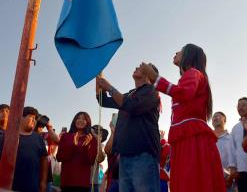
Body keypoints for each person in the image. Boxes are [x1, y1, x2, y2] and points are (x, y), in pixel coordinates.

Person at [140, 43, 226, 192]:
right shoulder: (191, 75)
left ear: (189, 56)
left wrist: (155, 78)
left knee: (191, 182)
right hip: (186, 138)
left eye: (180, 51)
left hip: (193, 139)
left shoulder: (194, 73)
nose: (176, 52)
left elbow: (184, 93)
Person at [96, 65, 161, 192]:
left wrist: (109, 87)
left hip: (143, 156)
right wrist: (98, 74)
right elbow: (102, 100)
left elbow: (132, 106)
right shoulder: (129, 94)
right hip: (124, 156)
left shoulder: (152, 91)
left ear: (149, 75)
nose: (137, 67)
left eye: (143, 67)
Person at [0, 106, 48, 192]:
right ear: (21, 117)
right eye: (31, 117)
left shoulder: (39, 138)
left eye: (35, 119)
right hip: (7, 187)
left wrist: (43, 182)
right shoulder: (6, 135)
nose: (34, 120)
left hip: (31, 187)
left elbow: (44, 159)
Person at [57, 111, 98, 192]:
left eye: (84, 119)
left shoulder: (91, 139)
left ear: (88, 122)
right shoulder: (65, 136)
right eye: (78, 118)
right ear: (74, 120)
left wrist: (86, 147)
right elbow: (59, 157)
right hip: (67, 181)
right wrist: (73, 145)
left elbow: (91, 161)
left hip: (83, 183)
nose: (80, 120)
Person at [228, 97, 247, 192]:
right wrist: (233, 168)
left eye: (244, 105)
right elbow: (232, 149)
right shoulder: (235, 128)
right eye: (238, 106)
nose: (240, 108)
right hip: (242, 170)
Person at [212, 111, 234, 192]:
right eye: (214, 117)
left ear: (225, 120)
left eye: (218, 116)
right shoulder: (206, 139)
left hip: (229, 182)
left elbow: (236, 159)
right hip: (210, 181)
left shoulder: (231, 138)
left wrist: (231, 177)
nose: (215, 118)